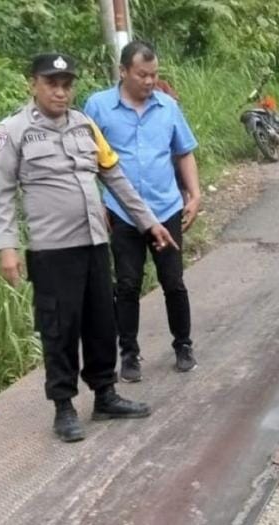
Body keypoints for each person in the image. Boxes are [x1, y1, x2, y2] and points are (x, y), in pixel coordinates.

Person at [0, 53, 178, 442]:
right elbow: (3, 193)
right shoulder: (14, 130)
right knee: (59, 328)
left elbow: (115, 178)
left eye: (66, 84)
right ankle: (63, 407)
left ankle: (105, 394)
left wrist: (150, 223)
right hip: (52, 250)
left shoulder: (85, 126)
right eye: (51, 84)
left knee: (100, 321)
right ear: (34, 84)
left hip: (94, 241)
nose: (60, 92)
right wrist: (5, 248)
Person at [85, 41, 202, 382]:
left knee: (173, 282)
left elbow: (184, 152)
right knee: (127, 284)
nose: (150, 81)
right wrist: (98, 203)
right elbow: (85, 161)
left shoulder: (167, 107)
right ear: (123, 72)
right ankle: (130, 355)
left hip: (165, 208)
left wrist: (194, 195)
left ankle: (183, 346)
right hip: (121, 213)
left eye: (154, 74)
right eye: (142, 75)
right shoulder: (98, 107)